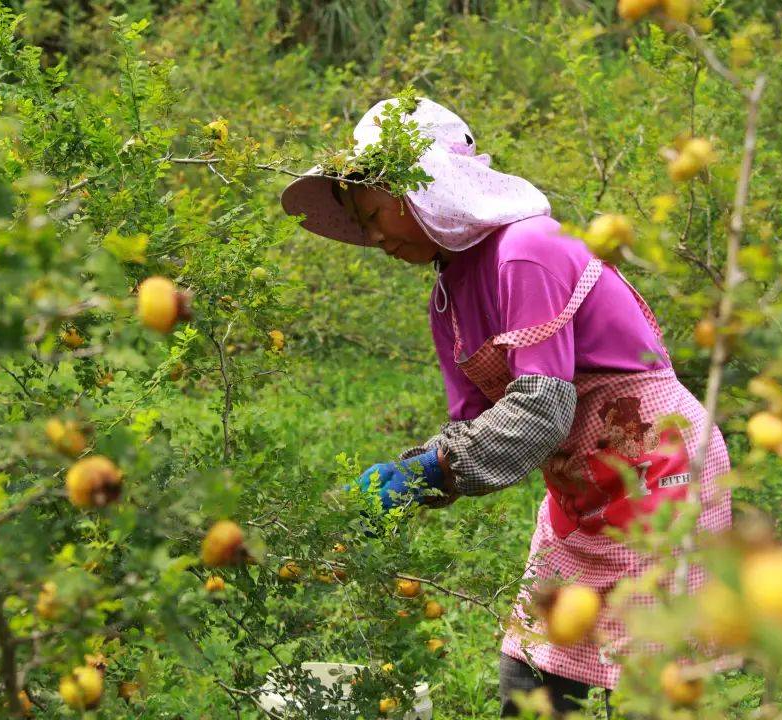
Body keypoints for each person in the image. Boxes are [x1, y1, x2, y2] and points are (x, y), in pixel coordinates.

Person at [279, 97, 732, 716]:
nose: (375, 235)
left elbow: (540, 409)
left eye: (377, 213)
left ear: (426, 189)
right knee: (534, 670)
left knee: (652, 682)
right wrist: (416, 475)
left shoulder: (527, 249)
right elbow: (475, 427)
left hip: (656, 468)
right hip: (580, 492)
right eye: (364, 223)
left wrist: (430, 471)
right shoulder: (449, 296)